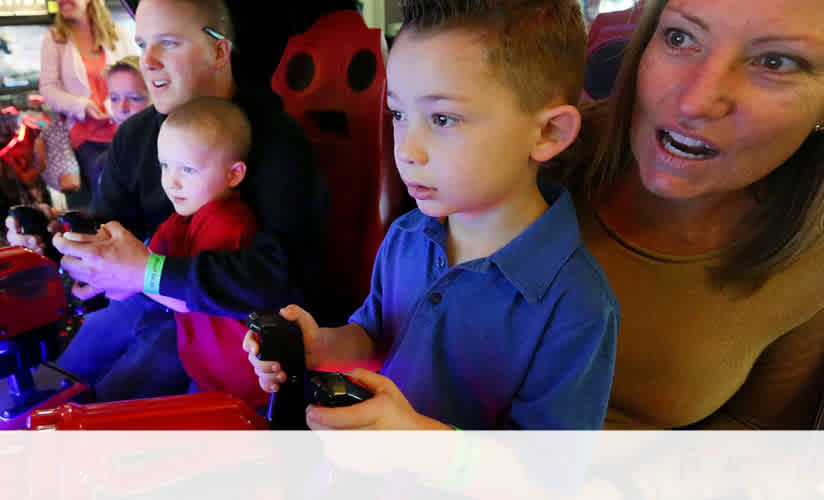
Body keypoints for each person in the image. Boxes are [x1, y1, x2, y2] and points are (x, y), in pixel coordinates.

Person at [244, 0, 619, 430]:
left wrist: (416, 441)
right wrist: (320, 346)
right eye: (399, 114)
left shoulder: (576, 303)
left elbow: (544, 476)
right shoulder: (408, 236)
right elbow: (376, 336)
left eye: (443, 118)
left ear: (548, 133)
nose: (405, 149)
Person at [11, 0, 328, 401]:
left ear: (219, 51)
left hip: (225, 328)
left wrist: (148, 273)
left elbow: (281, 276)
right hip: (142, 302)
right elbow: (109, 227)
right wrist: (58, 235)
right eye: (142, 44)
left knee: (102, 413)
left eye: (169, 43)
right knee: (54, 385)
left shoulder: (276, 141)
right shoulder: (135, 136)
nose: (149, 62)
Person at [547, 0, 824, 429]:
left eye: (775, 62)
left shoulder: (812, 262)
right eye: (680, 37)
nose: (696, 102)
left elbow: (756, 439)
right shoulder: (534, 154)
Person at [141, 96, 267, 408]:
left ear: (233, 175)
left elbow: (183, 297)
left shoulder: (228, 223)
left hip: (246, 381)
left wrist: (129, 273)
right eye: (165, 165)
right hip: (207, 369)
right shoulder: (182, 217)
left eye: (188, 169)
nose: (171, 181)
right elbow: (147, 258)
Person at [39, 0, 135, 208]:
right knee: (97, 209)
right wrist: (81, 105)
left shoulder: (119, 33)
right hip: (84, 140)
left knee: (129, 202)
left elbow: (136, 77)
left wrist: (116, 104)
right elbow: (47, 88)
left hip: (124, 133)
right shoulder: (55, 39)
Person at [38, 56, 150, 201]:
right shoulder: (106, 164)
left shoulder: (171, 153)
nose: (122, 108)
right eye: (114, 99)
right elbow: (104, 214)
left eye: (134, 98)